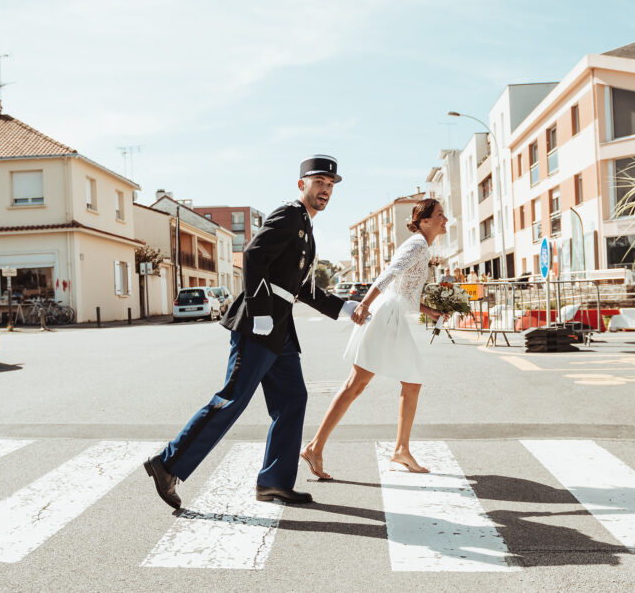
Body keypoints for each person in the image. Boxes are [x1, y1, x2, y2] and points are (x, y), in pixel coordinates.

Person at [144, 155, 361, 509]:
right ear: (301, 184)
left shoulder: (305, 226)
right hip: (260, 325)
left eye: (330, 185)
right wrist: (260, 313)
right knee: (233, 398)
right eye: (319, 182)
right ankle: (168, 463)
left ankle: (274, 482)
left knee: (293, 399)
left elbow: (300, 286)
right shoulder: (290, 214)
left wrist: (341, 308)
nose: (325, 190)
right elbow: (254, 255)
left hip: (281, 329)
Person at [300, 198, 448, 479]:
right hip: (384, 318)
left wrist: (432, 311)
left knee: (410, 380)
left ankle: (401, 450)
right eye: (440, 215)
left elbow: (405, 295)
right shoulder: (417, 244)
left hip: (392, 316)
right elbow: (388, 275)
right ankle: (315, 447)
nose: (446, 219)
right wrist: (364, 305)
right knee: (355, 385)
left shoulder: (422, 246)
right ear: (425, 221)